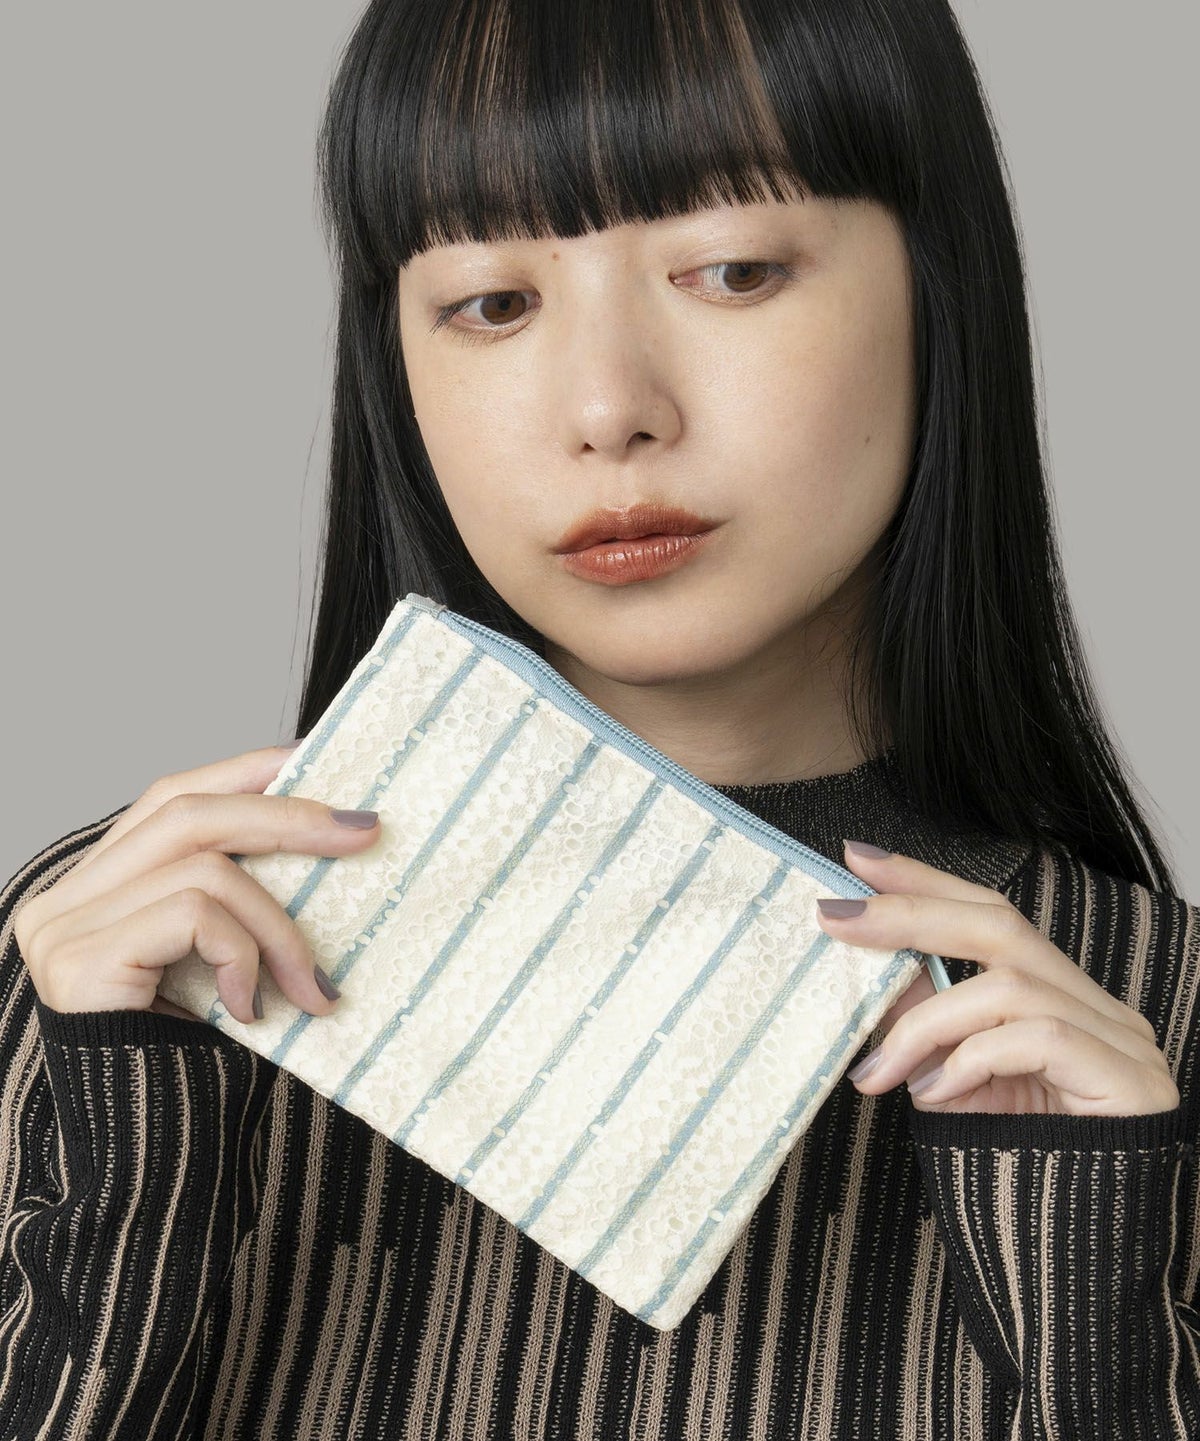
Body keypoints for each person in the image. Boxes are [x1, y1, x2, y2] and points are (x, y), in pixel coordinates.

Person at [2, 0, 1196, 1435]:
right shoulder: (104, 961)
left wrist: (1089, 1307)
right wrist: (128, 1164)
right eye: (492, 304)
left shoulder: (1154, 1017)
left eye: (733, 270)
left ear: (941, 287)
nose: (606, 408)